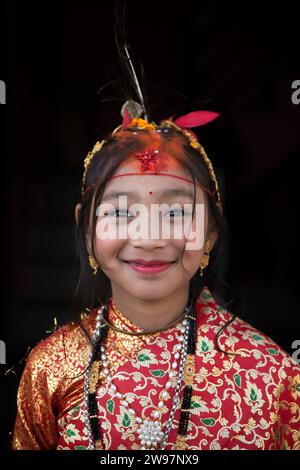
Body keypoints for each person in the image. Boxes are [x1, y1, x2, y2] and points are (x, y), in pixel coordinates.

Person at [11, 100, 300, 450]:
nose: (149, 238)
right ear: (86, 229)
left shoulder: (274, 375)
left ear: (209, 229)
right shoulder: (51, 368)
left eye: (176, 212)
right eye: (119, 211)